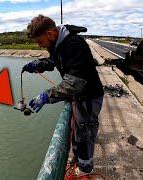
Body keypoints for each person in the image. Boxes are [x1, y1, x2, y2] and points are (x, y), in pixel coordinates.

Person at [22, 15, 104, 174]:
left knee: (85, 133)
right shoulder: (58, 45)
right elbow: (54, 62)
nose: (40, 45)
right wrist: (38, 64)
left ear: (50, 34)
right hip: (79, 97)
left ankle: (85, 170)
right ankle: (77, 161)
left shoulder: (73, 45)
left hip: (89, 97)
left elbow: (73, 83)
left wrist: (46, 96)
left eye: (40, 41)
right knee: (77, 131)